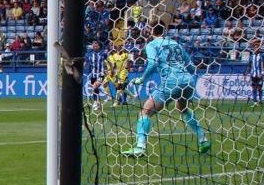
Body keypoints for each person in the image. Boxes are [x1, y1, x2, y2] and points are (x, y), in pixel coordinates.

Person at [123, 23, 211, 156]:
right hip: (188, 81)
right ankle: (202, 139)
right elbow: (191, 67)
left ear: (151, 30)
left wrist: (142, 79)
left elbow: (152, 63)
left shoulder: (152, 45)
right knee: (183, 108)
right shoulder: (176, 44)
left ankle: (140, 147)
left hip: (171, 81)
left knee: (145, 112)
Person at [85, 41, 107, 111]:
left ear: (99, 46)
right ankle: (98, 103)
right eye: (93, 46)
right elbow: (86, 62)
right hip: (93, 75)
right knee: (95, 89)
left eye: (95, 46)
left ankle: (95, 103)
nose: (94, 47)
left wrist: (111, 69)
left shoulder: (103, 53)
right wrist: (84, 65)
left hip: (101, 74)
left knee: (95, 86)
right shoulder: (90, 54)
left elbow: (109, 61)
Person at [246, 38, 264, 106]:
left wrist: (262, 73)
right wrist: (246, 73)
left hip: (259, 74)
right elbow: (249, 65)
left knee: (259, 88)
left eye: (257, 48)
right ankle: (255, 101)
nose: (255, 49)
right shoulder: (251, 56)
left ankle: (260, 100)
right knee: (253, 87)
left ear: (259, 49)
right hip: (253, 74)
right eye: (254, 48)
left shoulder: (262, 56)